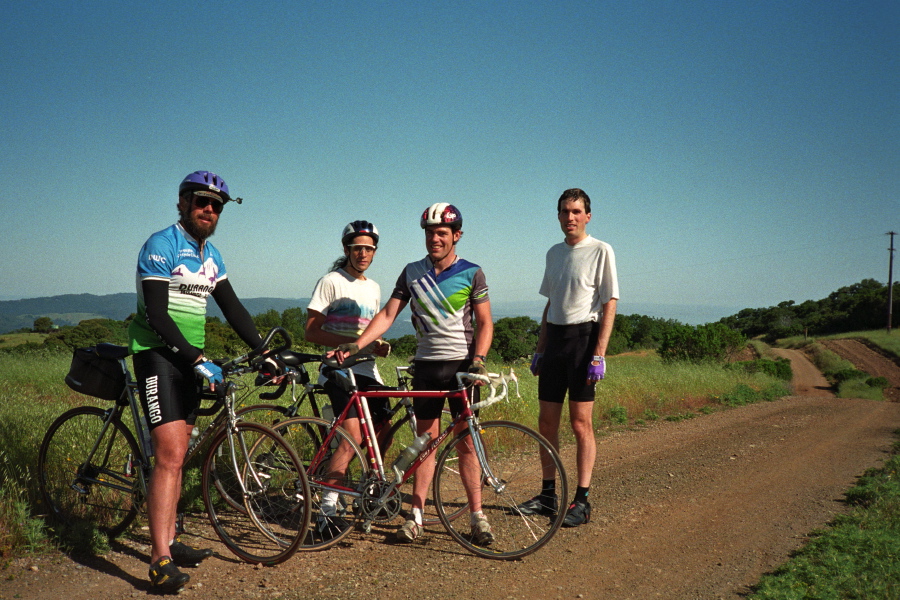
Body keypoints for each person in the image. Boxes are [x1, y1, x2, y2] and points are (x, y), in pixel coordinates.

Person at [128, 171, 275, 593]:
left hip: (191, 360)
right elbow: (156, 316)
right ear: (183, 203)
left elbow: (233, 309)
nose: (209, 210)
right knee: (170, 455)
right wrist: (197, 358)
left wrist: (265, 352)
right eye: (200, 202)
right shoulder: (162, 245)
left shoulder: (212, 256)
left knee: (179, 453)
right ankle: (159, 560)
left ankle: (170, 540)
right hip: (157, 354)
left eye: (217, 206)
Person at [333, 202, 494, 545]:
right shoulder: (411, 272)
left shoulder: (472, 272)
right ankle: (416, 517)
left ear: (456, 236)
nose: (434, 239)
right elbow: (389, 314)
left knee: (466, 444)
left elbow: (484, 322)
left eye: (441, 233)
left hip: (462, 369)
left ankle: (478, 517)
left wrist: (479, 359)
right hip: (426, 369)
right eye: (429, 233)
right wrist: (357, 345)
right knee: (426, 446)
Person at [521, 188, 619, 528]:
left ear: (588, 215)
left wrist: (599, 354)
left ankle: (582, 500)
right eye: (564, 211)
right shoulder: (553, 253)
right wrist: (540, 347)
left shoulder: (601, 250)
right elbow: (551, 302)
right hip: (556, 341)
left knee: (580, 423)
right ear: (559, 216)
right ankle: (548, 494)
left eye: (576, 211)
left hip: (583, 341)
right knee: (546, 422)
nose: (570, 217)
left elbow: (610, 302)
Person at [304, 220, 391, 539]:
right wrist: (350, 341)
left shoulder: (374, 287)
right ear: (346, 250)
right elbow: (311, 331)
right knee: (352, 435)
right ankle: (326, 513)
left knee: (384, 431)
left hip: (368, 370)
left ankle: (366, 495)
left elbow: (369, 331)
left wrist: (375, 344)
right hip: (338, 371)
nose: (364, 254)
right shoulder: (331, 281)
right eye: (358, 248)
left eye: (369, 248)